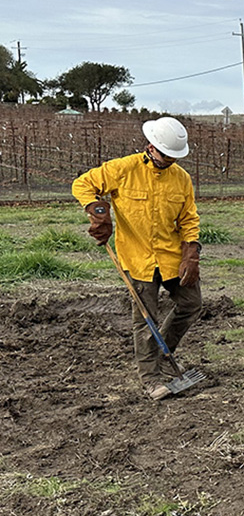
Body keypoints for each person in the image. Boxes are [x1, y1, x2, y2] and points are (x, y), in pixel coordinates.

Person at [71, 116, 202, 400]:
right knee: (145, 319)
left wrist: (191, 251)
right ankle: (151, 378)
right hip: (137, 257)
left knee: (192, 304)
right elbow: (82, 185)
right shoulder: (122, 169)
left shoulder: (181, 179)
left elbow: (189, 218)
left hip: (171, 256)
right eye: (165, 155)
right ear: (151, 147)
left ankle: (164, 354)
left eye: (173, 157)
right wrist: (98, 212)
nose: (169, 161)